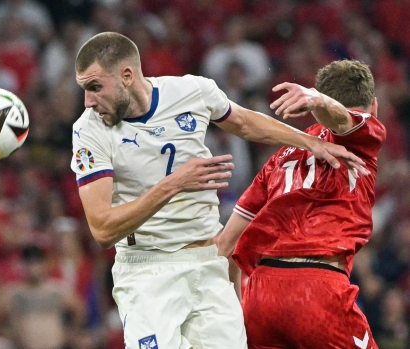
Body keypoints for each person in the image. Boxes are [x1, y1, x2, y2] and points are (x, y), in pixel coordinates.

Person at [70, 32, 368, 349]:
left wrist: (310, 142)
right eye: (85, 89)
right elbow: (102, 229)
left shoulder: (191, 91)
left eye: (95, 87)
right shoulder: (89, 131)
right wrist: (173, 183)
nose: (88, 100)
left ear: (126, 76)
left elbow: (242, 122)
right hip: (146, 272)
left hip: (206, 262)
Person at [216, 60, 385, 348]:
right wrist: (317, 100)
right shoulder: (361, 139)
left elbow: (225, 246)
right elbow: (343, 120)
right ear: (374, 105)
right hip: (317, 289)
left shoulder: (280, 158)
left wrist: (237, 309)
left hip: (261, 296)